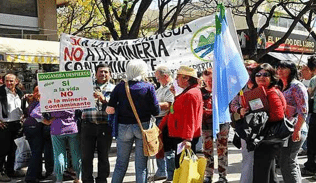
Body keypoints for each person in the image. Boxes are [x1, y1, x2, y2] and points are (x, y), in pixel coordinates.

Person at [106, 59, 160, 183]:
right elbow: (156, 111)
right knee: (141, 166)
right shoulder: (148, 87)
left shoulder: (120, 87)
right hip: (143, 127)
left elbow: (110, 109)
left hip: (123, 127)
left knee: (120, 164)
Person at [242, 63, 286, 183]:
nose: (261, 77)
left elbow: (278, 115)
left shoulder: (271, 92)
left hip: (268, 138)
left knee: (261, 173)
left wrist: (257, 119)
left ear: (272, 77)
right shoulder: (258, 91)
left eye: (265, 74)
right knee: (269, 173)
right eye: (258, 74)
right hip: (263, 137)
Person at [159, 66, 203, 169]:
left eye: (177, 77)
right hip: (182, 134)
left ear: (186, 78)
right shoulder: (190, 92)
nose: (175, 80)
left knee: (183, 167)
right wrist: (175, 95)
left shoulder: (190, 94)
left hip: (184, 136)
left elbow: (190, 118)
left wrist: (187, 139)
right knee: (182, 165)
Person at [81, 63, 115, 183]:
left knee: (103, 156)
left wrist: (104, 99)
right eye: (101, 71)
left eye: (106, 72)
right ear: (95, 74)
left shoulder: (114, 89)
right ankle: (87, 179)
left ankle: (101, 179)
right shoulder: (85, 87)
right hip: (87, 125)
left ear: (110, 74)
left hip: (105, 126)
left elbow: (116, 106)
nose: (103, 74)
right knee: (86, 156)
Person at [277, 60, 308, 183]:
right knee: (290, 161)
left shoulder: (297, 86)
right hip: (284, 129)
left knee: (287, 162)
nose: (280, 70)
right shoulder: (281, 85)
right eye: (279, 67)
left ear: (292, 70)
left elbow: (303, 110)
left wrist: (297, 130)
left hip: (295, 128)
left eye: (284, 68)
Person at [230, 60, 258, 183]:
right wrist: (239, 109)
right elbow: (233, 104)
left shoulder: (263, 88)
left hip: (262, 127)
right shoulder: (241, 88)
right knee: (247, 158)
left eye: (251, 71)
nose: (248, 74)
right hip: (246, 128)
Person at [200, 68, 229, 183]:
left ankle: (222, 175)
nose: (209, 82)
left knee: (222, 150)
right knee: (207, 150)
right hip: (206, 124)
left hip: (222, 124)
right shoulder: (201, 92)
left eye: (211, 80)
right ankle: (208, 175)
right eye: (206, 80)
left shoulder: (222, 90)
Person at [148, 66, 175, 182]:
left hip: (167, 119)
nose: (157, 80)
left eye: (158, 78)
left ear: (165, 76)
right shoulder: (161, 88)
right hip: (158, 120)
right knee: (159, 148)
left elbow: (169, 105)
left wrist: (153, 105)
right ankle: (162, 171)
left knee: (168, 149)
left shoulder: (172, 87)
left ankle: (171, 175)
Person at [23, 85, 54, 183]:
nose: (38, 93)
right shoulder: (41, 101)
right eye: (36, 91)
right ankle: (31, 177)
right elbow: (34, 114)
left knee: (37, 152)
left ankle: (37, 174)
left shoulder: (34, 102)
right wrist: (46, 121)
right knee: (36, 152)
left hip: (32, 128)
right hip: (34, 128)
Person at [0, 73, 25, 181]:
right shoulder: (1, 92)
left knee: (13, 150)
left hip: (17, 124)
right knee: (2, 150)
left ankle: (10, 171)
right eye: (7, 81)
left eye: (11, 81)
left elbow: (22, 107)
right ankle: (0, 172)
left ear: (16, 81)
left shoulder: (19, 93)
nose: (9, 83)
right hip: (5, 124)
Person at [44, 109, 81, 183]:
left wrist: (45, 121)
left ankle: (59, 179)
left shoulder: (50, 98)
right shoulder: (72, 97)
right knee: (76, 154)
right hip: (72, 127)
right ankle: (78, 178)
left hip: (57, 127)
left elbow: (35, 113)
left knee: (59, 155)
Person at [302, 56, 316, 176]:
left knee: (312, 142)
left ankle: (311, 166)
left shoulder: (314, 79)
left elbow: (308, 95)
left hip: (315, 115)